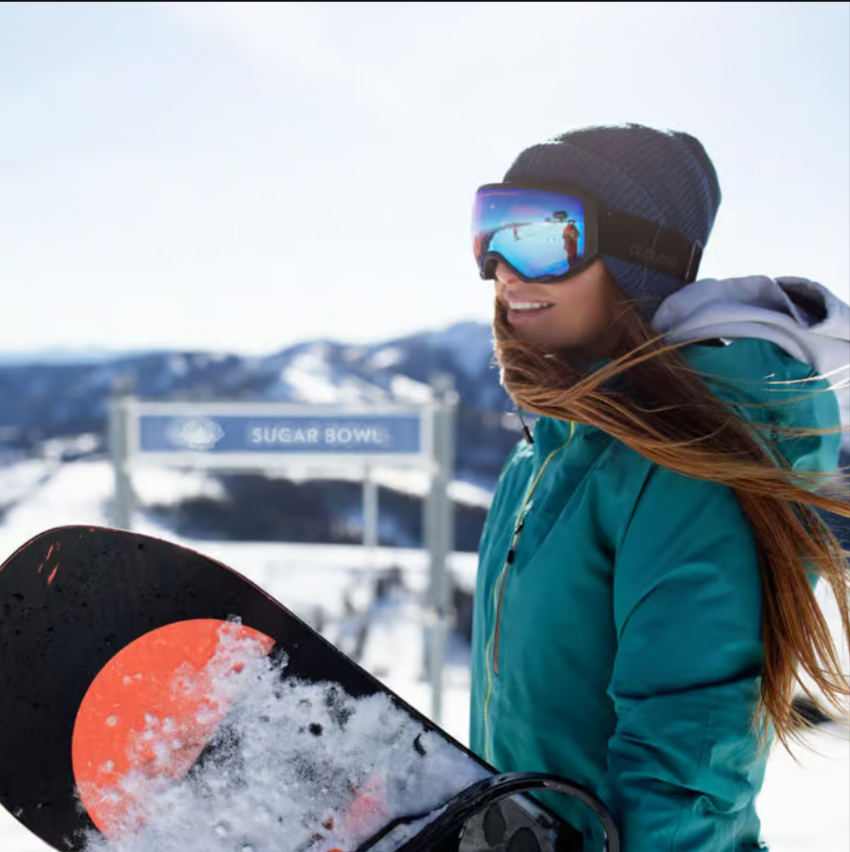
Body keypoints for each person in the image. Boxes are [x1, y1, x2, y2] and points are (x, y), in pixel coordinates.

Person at [468, 124, 850, 851]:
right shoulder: (549, 448)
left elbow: (688, 760)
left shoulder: (683, 462)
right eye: (490, 231)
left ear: (638, 258)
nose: (503, 270)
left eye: (541, 236)